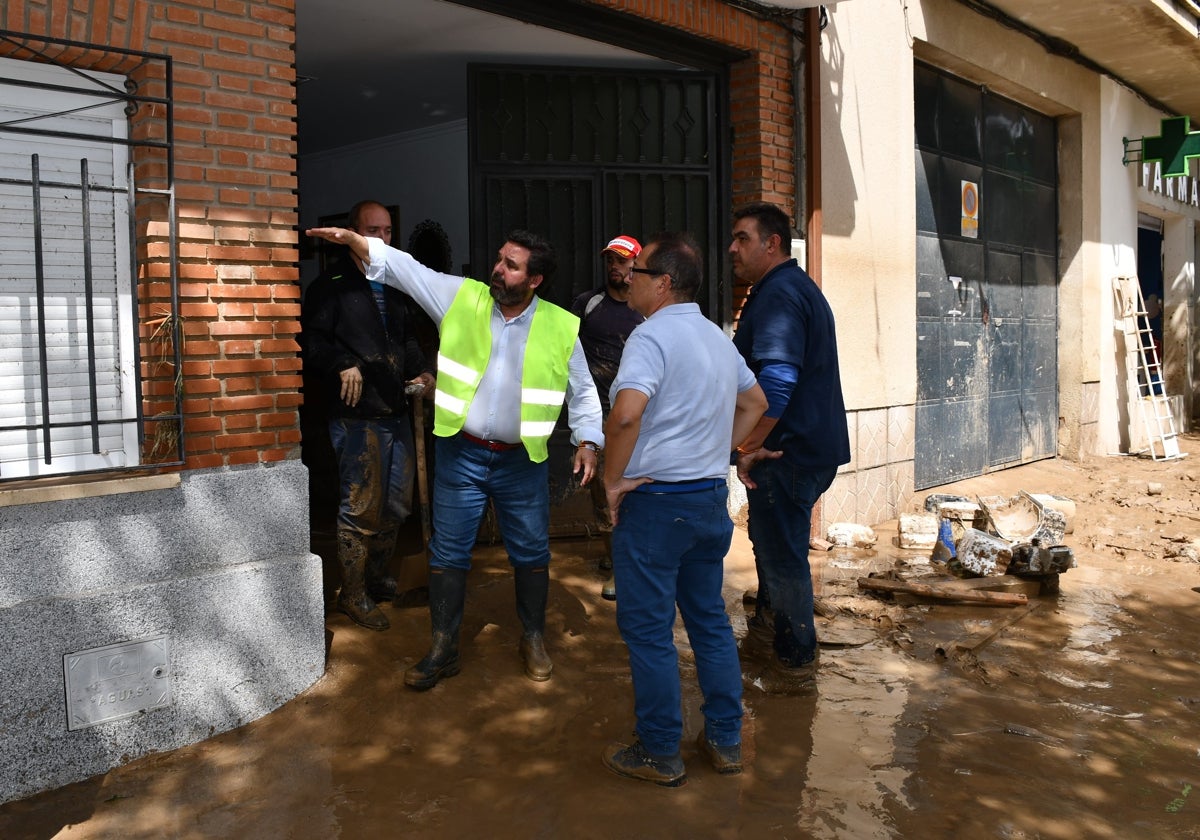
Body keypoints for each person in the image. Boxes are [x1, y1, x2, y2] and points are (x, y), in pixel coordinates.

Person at [305, 223, 604, 689]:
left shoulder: (562, 326)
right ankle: (443, 648)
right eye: (500, 259)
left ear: (535, 280)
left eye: (512, 265)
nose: (498, 270)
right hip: (461, 455)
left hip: (521, 461)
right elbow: (407, 270)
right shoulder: (463, 297)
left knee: (529, 553)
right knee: (448, 553)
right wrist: (357, 243)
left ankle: (533, 637)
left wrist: (589, 441)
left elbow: (583, 391)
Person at [600, 232, 768, 787]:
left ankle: (658, 751)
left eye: (639, 271)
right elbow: (757, 403)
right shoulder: (717, 338)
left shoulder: (650, 337)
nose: (629, 278)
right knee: (709, 621)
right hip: (706, 500)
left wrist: (612, 481)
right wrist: (718, 452)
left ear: (664, 283)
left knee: (648, 631)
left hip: (656, 504)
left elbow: (625, 417)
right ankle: (724, 741)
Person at [729, 201, 851, 693]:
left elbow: (776, 385)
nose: (732, 249)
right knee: (774, 545)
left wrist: (747, 447)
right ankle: (766, 629)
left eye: (742, 238)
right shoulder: (784, 289)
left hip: (787, 453)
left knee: (783, 560)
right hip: (800, 448)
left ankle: (796, 665)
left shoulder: (780, 295)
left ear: (771, 243)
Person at [301, 200, 436, 631]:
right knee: (361, 506)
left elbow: (407, 341)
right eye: (372, 230)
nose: (381, 239)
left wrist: (424, 371)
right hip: (356, 416)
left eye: (388, 232)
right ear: (353, 233)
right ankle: (352, 593)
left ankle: (377, 579)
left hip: (397, 409)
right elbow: (313, 343)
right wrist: (344, 362)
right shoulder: (330, 286)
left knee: (396, 504)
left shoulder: (394, 284)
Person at [570, 234, 645, 601]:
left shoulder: (647, 307)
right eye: (611, 261)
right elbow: (565, 351)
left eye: (623, 261)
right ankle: (614, 560)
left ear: (637, 264)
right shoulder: (588, 304)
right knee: (602, 489)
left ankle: (629, 562)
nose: (616, 268)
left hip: (638, 418)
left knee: (632, 489)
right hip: (598, 415)